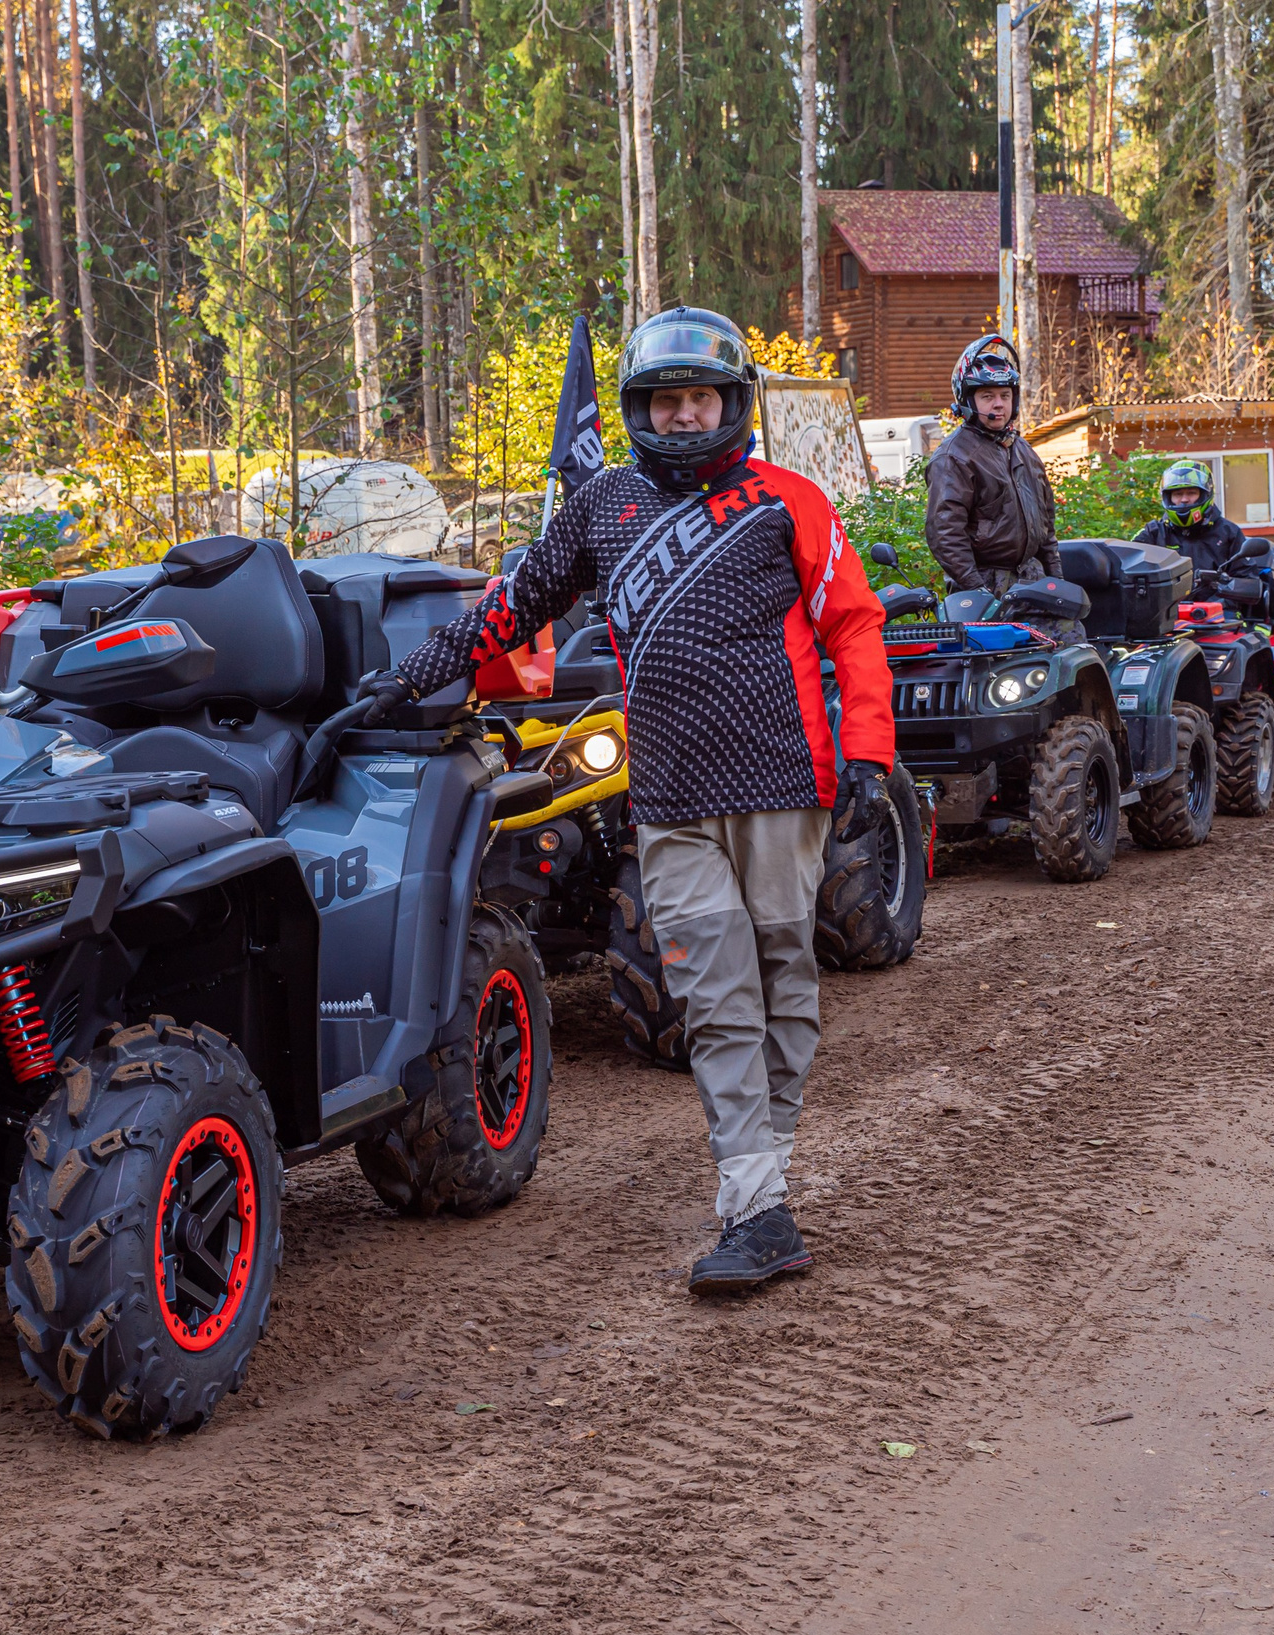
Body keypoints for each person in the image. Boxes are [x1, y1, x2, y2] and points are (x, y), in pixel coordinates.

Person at [365, 307, 897, 1298]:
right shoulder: (602, 507)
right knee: (716, 996)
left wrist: (868, 751)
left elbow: (855, 624)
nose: (685, 416)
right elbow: (509, 607)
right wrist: (407, 677)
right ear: (638, 409)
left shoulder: (789, 502)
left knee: (782, 983)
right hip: (666, 797)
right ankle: (757, 1209)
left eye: (700, 399)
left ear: (732, 404)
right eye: (666, 400)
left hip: (788, 783)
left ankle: (763, 1185)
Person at [924, 335, 1069, 632]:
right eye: (987, 396)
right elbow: (945, 531)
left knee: (1072, 647)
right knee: (996, 667)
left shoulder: (1024, 451)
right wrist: (976, 589)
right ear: (968, 400)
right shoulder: (954, 457)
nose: (999, 404)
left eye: (1004, 395)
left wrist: (1057, 581)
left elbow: (1046, 525)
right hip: (984, 583)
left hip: (1032, 577)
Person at [1132, 460, 1248, 587]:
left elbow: (1246, 579)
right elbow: (1127, 565)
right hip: (1165, 606)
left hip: (1218, 605)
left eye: (1191, 493)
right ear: (1168, 497)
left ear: (1205, 494)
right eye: (1177, 494)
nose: (1184, 499)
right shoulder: (1153, 533)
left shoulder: (1229, 533)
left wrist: (1221, 602)